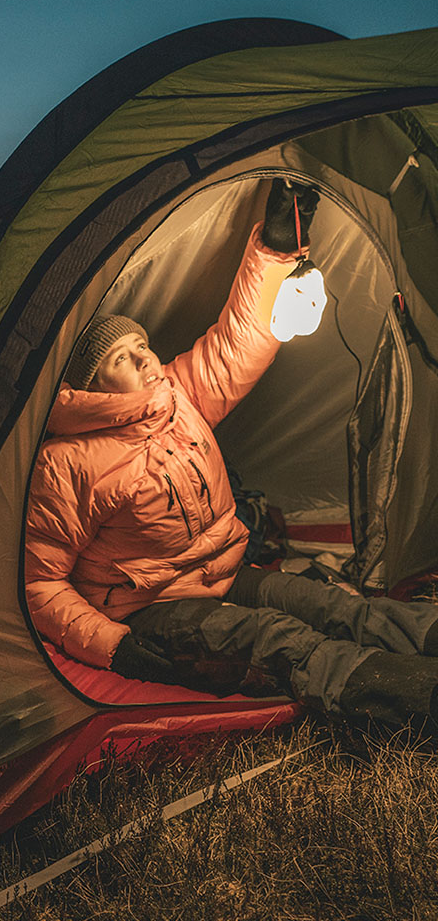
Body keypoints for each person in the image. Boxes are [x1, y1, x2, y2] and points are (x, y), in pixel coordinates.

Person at [25, 179, 438, 732]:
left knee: (334, 607)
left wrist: (273, 248)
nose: (145, 359)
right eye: (122, 358)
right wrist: (113, 648)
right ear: (93, 388)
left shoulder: (177, 395)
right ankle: (417, 701)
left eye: (142, 344)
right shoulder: (67, 463)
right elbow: (40, 583)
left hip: (224, 573)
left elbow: (238, 340)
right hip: (150, 611)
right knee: (282, 642)